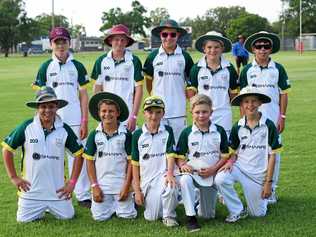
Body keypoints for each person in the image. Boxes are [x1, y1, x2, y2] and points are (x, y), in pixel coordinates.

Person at [1, 87, 84, 222]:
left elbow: (79, 154)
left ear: (57, 107)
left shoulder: (64, 128)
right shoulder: (27, 126)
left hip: (57, 192)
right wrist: (13, 177)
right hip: (31, 192)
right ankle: (38, 207)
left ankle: (50, 206)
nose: (47, 110)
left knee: (68, 216)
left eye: (51, 106)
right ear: (37, 108)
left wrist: (72, 182)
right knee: (23, 220)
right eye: (43, 106)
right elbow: (7, 149)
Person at [32, 27, 91, 208]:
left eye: (64, 41)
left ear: (69, 43)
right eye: (57, 42)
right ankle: (52, 193)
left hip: (74, 119)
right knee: (51, 157)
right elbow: (40, 97)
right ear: (51, 44)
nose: (60, 45)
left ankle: (83, 195)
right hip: (52, 120)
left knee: (77, 156)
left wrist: (84, 121)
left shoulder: (77, 66)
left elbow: (83, 95)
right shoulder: (45, 67)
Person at [215, 86, 282, 223]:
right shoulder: (237, 126)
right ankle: (237, 210)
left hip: (258, 176)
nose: (250, 105)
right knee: (220, 179)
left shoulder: (269, 126)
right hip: (239, 168)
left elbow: (272, 156)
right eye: (246, 101)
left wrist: (268, 183)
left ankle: (255, 203)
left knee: (258, 214)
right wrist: (229, 162)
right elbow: (233, 152)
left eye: (253, 101)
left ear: (260, 103)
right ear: (241, 105)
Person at [239, 31, 291, 204]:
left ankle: (272, 190)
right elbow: (242, 98)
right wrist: (242, 121)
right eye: (258, 46)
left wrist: (282, 117)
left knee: (273, 154)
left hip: (272, 119)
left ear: (270, 49)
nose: (262, 49)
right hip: (252, 121)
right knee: (254, 153)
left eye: (266, 46)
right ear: (253, 49)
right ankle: (253, 187)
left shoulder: (278, 69)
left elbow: (283, 94)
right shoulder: (247, 70)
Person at [176, 94, 229, 232]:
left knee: (207, 216)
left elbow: (225, 156)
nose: (201, 115)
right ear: (191, 113)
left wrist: (213, 169)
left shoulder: (220, 131)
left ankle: (198, 202)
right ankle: (190, 217)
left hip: (211, 174)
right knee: (185, 180)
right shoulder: (187, 132)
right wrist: (183, 165)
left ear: (211, 112)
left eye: (205, 112)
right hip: (193, 173)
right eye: (197, 112)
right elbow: (180, 156)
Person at [83, 92, 137, 221]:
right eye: (104, 111)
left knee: (127, 216)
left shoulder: (126, 134)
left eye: (111, 111)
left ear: (118, 113)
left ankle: (129, 199)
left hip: (121, 184)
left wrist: (126, 185)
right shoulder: (94, 135)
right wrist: (94, 186)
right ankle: (112, 205)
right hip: (102, 185)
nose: (107, 114)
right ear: (99, 113)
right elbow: (89, 162)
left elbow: (131, 162)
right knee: (99, 217)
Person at [143, 19, 194, 143]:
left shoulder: (185, 56)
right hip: (157, 111)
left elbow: (191, 83)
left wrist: (189, 99)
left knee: (178, 147)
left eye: (173, 34)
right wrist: (155, 97)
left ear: (178, 35)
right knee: (158, 146)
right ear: (160, 35)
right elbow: (149, 83)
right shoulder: (152, 56)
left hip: (178, 111)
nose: (168, 38)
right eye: (165, 34)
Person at [131, 96, 179, 227]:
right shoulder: (137, 135)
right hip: (147, 180)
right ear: (144, 113)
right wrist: (137, 190)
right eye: (150, 112)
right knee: (152, 217)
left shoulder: (167, 131)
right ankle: (166, 203)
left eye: (158, 112)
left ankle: (169, 216)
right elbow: (134, 164)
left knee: (171, 185)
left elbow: (170, 154)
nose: (154, 116)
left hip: (163, 175)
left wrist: (170, 173)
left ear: (163, 113)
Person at [91, 24, 143, 132]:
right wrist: (100, 113)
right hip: (107, 113)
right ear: (110, 40)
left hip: (127, 113)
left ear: (127, 42)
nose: (119, 43)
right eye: (116, 39)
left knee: (128, 147)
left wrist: (133, 116)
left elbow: (139, 90)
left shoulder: (134, 61)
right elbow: (97, 88)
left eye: (122, 40)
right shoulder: (101, 61)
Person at [187, 31, 238, 137]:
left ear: (222, 48)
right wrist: (195, 110)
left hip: (223, 114)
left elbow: (234, 93)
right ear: (204, 49)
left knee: (223, 148)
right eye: (209, 47)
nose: (213, 50)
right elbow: (191, 92)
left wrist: (225, 103)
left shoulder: (229, 68)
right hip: (202, 114)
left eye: (216, 47)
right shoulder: (196, 68)